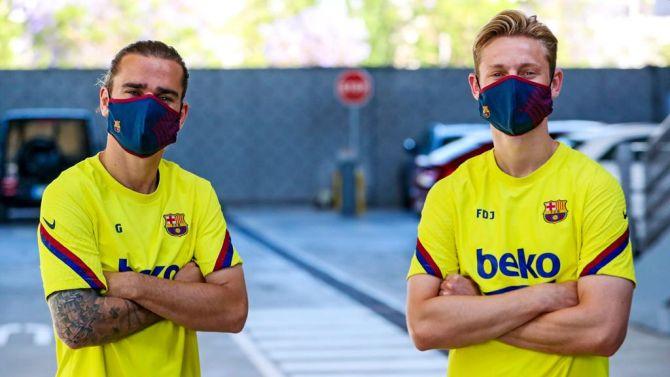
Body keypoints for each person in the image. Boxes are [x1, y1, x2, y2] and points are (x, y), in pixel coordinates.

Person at [406, 10, 635, 377]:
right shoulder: (450, 194)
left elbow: (602, 330)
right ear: (476, 86)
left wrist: (476, 309)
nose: (512, 86)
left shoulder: (594, 188)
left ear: (554, 82)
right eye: (497, 74)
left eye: (528, 72)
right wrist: (544, 296)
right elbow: (425, 326)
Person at [37, 40, 248, 377]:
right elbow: (76, 325)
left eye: (165, 98)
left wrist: (134, 285)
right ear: (106, 101)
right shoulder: (70, 193)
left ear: (181, 115)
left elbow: (233, 310)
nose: (148, 106)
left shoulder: (196, 193)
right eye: (133, 90)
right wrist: (185, 287)